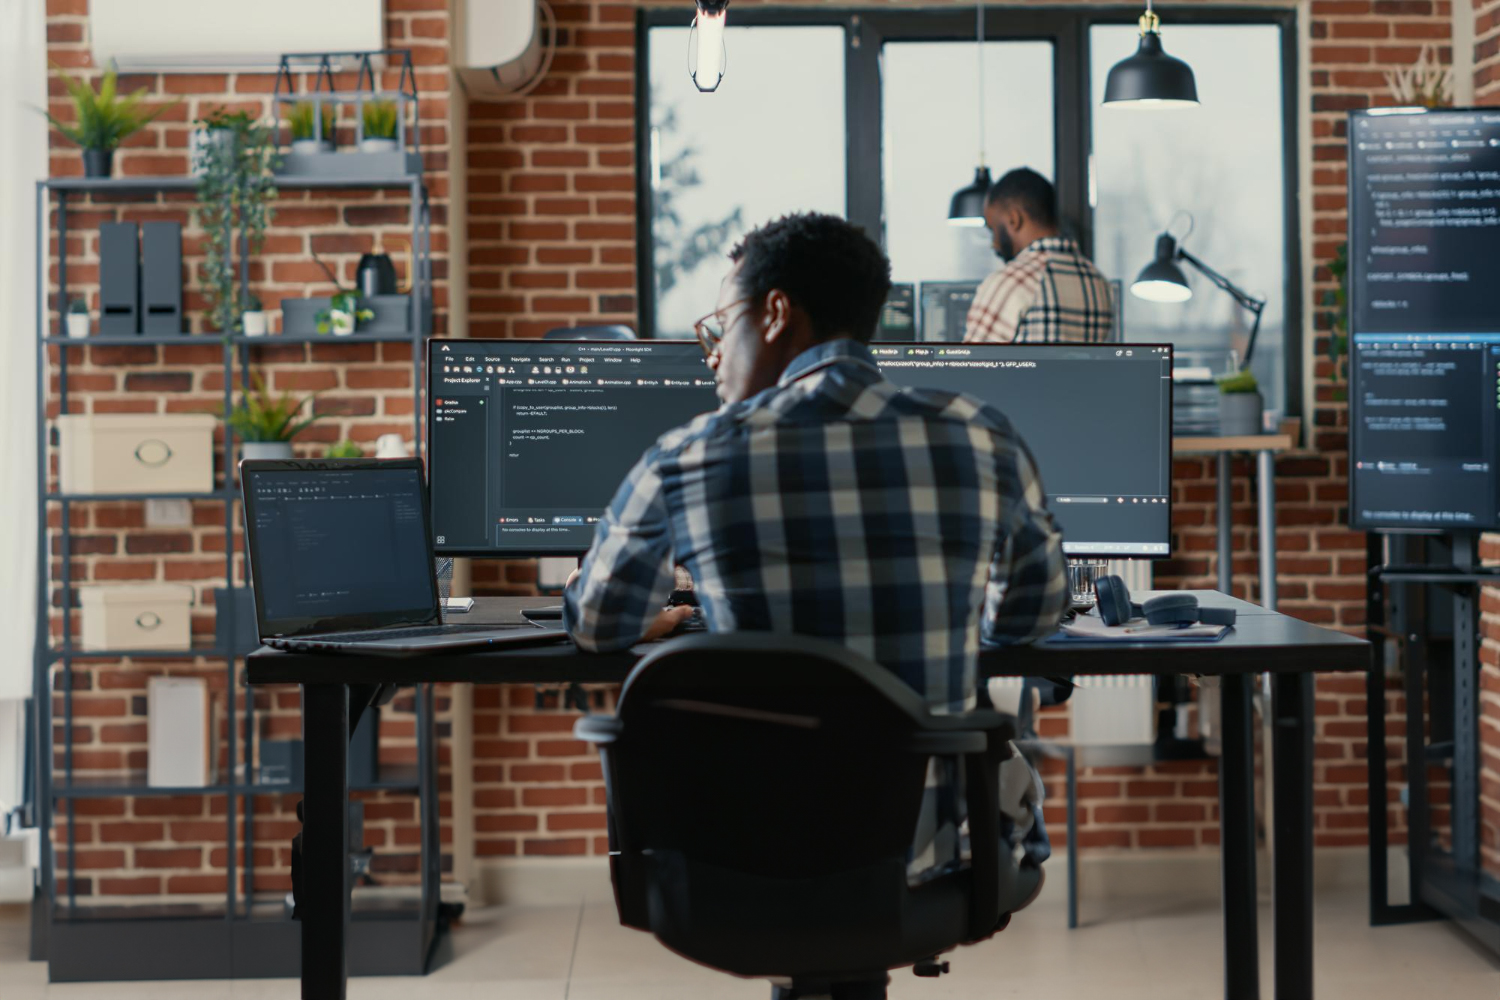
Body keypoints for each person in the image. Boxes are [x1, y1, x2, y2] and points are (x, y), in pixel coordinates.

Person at [563, 212, 1069, 920]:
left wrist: (676, 612)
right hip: (932, 858)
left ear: (775, 313)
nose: (710, 355)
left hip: (737, 856)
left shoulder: (685, 457)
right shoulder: (981, 436)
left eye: (720, 326)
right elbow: (1034, 613)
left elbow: (594, 625)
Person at [965, 167, 1115, 344]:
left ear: (1014, 219)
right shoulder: (1099, 283)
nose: (994, 243)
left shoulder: (1012, 282)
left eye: (994, 229)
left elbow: (969, 365)